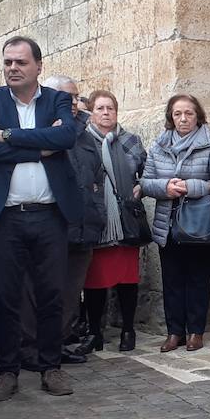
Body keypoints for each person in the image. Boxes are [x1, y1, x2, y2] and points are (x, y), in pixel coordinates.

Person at [0, 35, 82, 401]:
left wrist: (12, 137)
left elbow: (66, 136)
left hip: (50, 215)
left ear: (38, 66)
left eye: (20, 62)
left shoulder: (57, 100)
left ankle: (51, 368)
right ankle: (8, 372)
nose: (13, 68)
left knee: (52, 294)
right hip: (6, 217)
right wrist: (39, 146)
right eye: (8, 63)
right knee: (6, 296)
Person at [140, 94, 210, 353]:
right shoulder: (158, 146)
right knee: (172, 280)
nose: (183, 119)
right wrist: (166, 186)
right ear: (170, 117)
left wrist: (190, 187)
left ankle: (195, 331)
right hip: (168, 222)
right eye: (177, 114)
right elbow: (145, 182)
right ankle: (174, 332)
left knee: (199, 279)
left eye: (188, 113)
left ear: (198, 116)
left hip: (200, 224)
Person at [37, 75, 105, 366]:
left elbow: (97, 178)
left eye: (77, 97)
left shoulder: (86, 136)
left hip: (83, 226)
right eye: (67, 97)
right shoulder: (40, 130)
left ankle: (61, 344)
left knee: (70, 291)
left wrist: (96, 213)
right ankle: (36, 348)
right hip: (52, 226)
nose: (74, 103)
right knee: (46, 291)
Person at [83, 90, 146, 353]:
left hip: (125, 220)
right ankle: (95, 331)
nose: (106, 112)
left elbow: (146, 170)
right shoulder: (82, 142)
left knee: (127, 280)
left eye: (110, 108)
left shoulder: (131, 140)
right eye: (100, 108)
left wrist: (141, 186)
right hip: (96, 219)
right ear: (92, 112)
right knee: (94, 281)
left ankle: (128, 330)